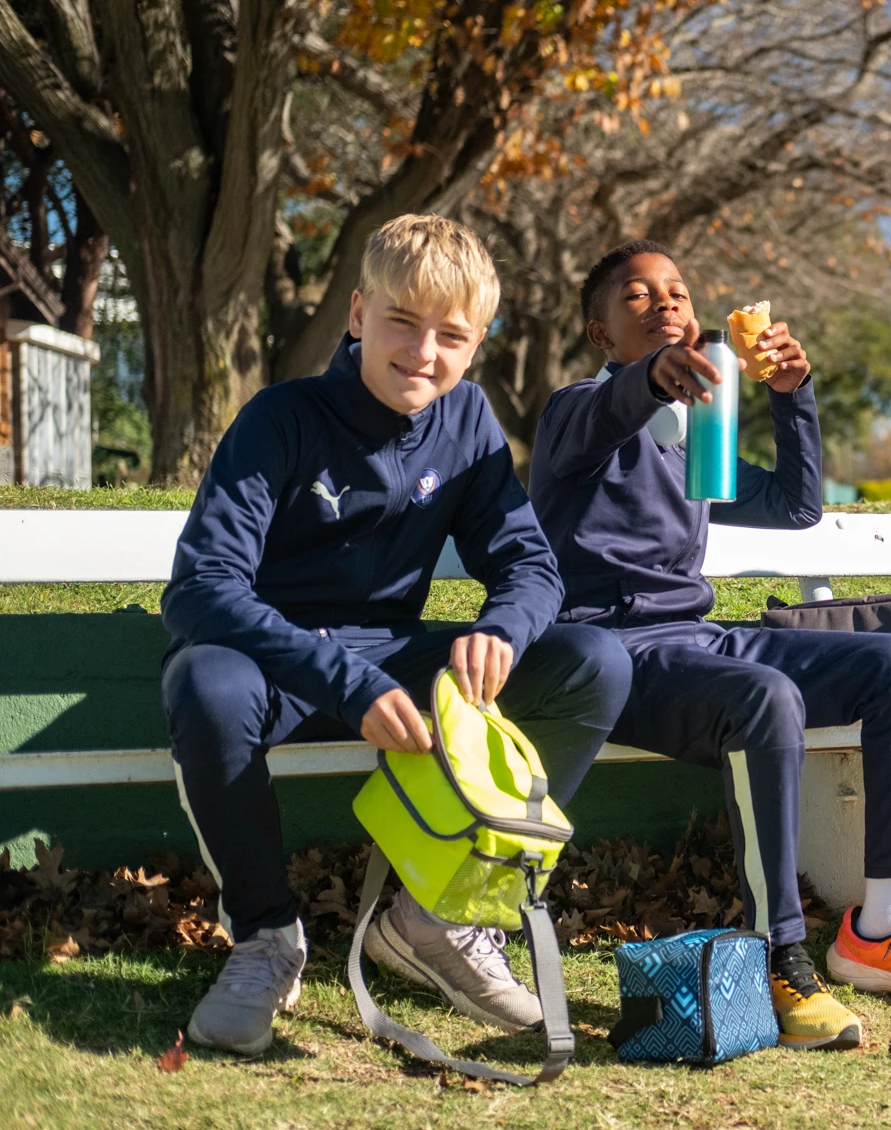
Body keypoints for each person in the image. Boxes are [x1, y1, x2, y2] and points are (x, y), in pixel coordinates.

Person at [163, 216, 632, 1057]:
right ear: (356, 314)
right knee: (205, 680)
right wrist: (346, 680)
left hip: (397, 663)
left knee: (593, 662)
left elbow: (533, 567)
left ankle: (437, 917)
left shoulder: (469, 423)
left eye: (451, 335)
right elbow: (200, 589)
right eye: (402, 322)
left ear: (477, 344)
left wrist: (504, 627)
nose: (423, 352)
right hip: (275, 664)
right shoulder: (280, 418)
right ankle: (267, 938)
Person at [531, 240, 891, 1049]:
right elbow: (607, 416)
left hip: (699, 640)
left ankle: (884, 926)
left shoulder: (690, 437)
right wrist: (649, 381)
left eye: (677, 291)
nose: (666, 304)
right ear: (600, 333)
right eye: (637, 296)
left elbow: (792, 506)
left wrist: (792, 393)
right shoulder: (577, 412)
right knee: (767, 696)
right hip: (613, 653)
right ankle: (778, 951)